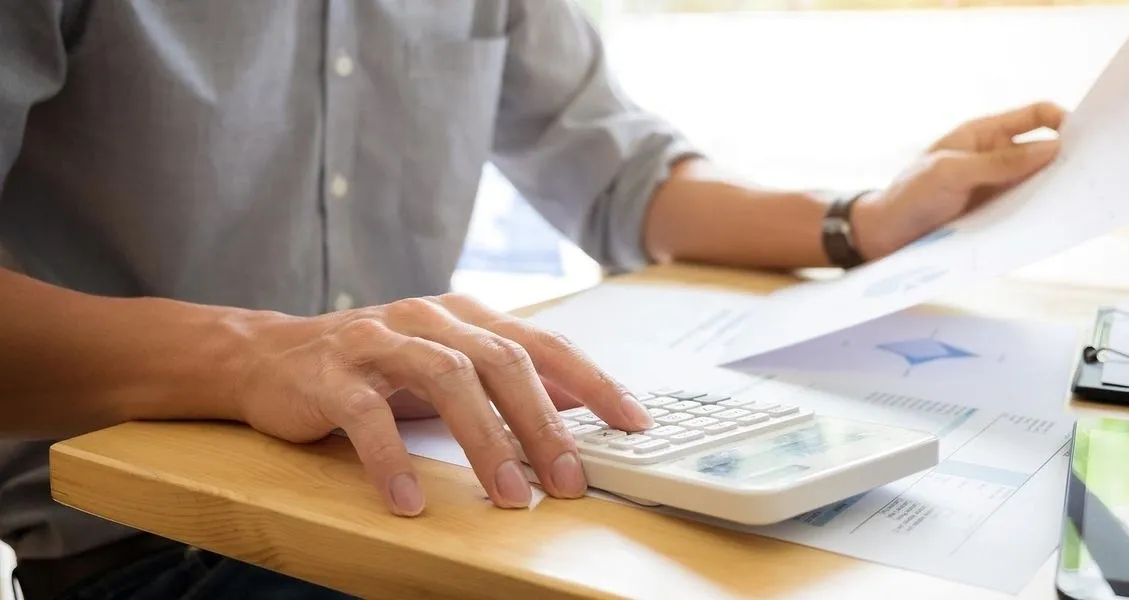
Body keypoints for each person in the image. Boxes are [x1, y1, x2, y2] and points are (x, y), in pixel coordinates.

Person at [0, 0, 1065, 598]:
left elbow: (621, 174)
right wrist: (255, 354)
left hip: (447, 503)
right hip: (149, 547)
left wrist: (861, 218)